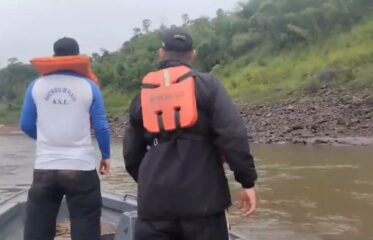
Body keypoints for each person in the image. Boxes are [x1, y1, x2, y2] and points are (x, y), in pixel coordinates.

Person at [123, 28, 257, 240]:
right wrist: (247, 181)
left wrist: (151, 183)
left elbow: (131, 154)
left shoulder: (143, 95)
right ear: (193, 54)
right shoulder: (209, 85)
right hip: (203, 202)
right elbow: (233, 135)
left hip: (154, 204)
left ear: (161, 53)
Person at [20, 37, 111, 240]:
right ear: (78, 57)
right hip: (81, 168)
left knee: (38, 227)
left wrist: (47, 140)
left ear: (54, 57)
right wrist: (106, 155)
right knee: (85, 221)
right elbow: (102, 126)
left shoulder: (36, 86)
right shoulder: (89, 86)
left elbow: (26, 125)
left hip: (45, 168)